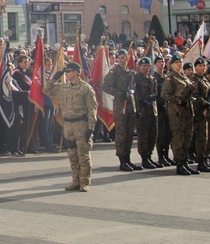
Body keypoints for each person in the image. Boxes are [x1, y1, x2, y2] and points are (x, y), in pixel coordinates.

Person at [43, 62, 97, 192]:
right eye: (65, 72)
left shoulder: (85, 88)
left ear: (77, 73)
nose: (66, 74)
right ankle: (75, 180)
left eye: (69, 72)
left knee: (83, 155)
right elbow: (46, 90)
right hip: (68, 125)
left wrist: (90, 128)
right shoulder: (63, 87)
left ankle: (84, 182)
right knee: (72, 155)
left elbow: (92, 109)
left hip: (81, 125)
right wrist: (56, 76)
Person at [102, 49, 141, 171]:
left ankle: (128, 159)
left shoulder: (129, 73)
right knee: (121, 133)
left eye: (125, 57)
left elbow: (133, 89)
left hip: (130, 104)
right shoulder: (114, 72)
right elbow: (105, 87)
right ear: (117, 59)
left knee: (129, 133)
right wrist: (118, 94)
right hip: (120, 105)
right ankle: (122, 160)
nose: (123, 60)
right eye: (121, 58)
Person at [160, 55, 198, 175]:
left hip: (187, 111)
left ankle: (185, 162)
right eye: (176, 62)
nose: (179, 64)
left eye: (180, 62)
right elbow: (164, 94)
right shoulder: (170, 78)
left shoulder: (183, 76)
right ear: (171, 64)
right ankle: (179, 163)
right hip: (177, 111)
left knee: (187, 136)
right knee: (179, 137)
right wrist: (178, 101)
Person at [133, 57, 160, 169]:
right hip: (142, 110)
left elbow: (155, 92)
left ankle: (149, 155)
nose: (144, 67)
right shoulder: (136, 78)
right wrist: (140, 101)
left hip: (152, 110)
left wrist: (154, 97)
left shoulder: (152, 79)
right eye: (142, 65)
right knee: (144, 135)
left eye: (146, 65)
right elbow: (134, 92)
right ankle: (144, 158)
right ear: (139, 67)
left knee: (152, 134)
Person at [191, 58, 210, 172]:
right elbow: (195, 97)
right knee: (201, 137)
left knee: (209, 137)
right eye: (200, 65)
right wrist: (205, 104)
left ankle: (206, 160)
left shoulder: (204, 79)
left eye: (204, 65)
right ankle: (201, 161)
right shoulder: (194, 79)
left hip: (208, 112)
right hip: (200, 112)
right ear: (195, 67)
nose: (203, 67)